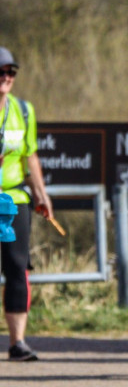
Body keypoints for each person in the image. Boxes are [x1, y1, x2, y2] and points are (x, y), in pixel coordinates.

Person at [0, 47, 53, 362]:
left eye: (11, 72)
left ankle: (17, 342)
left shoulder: (24, 109)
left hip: (13, 199)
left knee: (17, 267)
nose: (6, 77)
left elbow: (30, 154)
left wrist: (41, 194)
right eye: (0, 72)